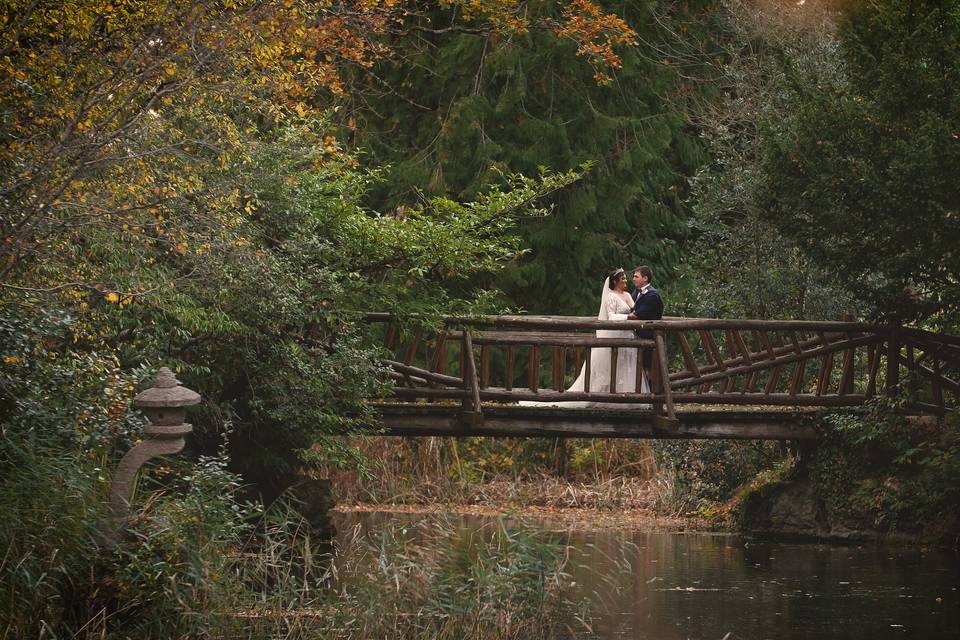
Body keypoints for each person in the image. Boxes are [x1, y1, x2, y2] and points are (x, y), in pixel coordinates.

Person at [520, 268, 649, 408]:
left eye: (625, 278)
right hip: (616, 334)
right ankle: (608, 397)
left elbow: (636, 310)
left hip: (628, 336)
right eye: (623, 278)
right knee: (612, 365)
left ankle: (630, 396)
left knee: (626, 365)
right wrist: (627, 317)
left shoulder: (629, 295)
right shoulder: (610, 296)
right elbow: (611, 316)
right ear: (615, 281)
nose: (626, 280)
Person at [628, 265, 663, 370]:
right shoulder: (635, 292)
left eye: (636, 276)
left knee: (649, 370)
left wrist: (616, 317)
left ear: (645, 278)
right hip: (637, 338)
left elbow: (636, 315)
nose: (633, 279)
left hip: (649, 339)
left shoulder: (652, 295)